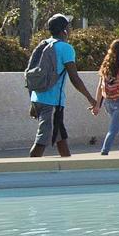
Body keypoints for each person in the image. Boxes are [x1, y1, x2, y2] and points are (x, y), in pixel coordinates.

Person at [28, 14, 98, 158]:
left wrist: (32, 101)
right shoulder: (65, 48)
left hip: (38, 97)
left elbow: (32, 73)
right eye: (69, 26)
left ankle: (69, 169)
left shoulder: (43, 44)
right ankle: (28, 172)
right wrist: (90, 99)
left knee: (60, 137)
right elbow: (74, 78)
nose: (71, 29)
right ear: (65, 30)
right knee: (42, 140)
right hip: (52, 102)